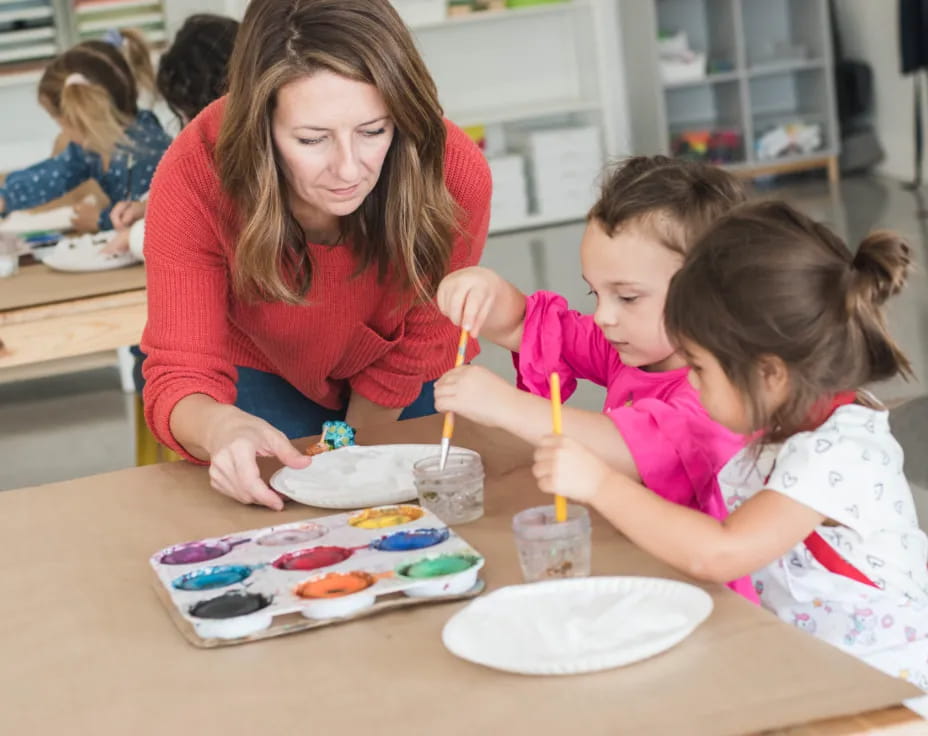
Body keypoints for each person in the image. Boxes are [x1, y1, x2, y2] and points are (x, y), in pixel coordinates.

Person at [534, 200, 928, 688]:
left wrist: (600, 484)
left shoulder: (837, 453)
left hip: (889, 686)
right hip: (816, 667)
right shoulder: (790, 421)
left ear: (769, 374)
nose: (690, 383)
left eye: (699, 368)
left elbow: (721, 552)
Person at [141, 0, 492, 511]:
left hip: (403, 363)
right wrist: (218, 427)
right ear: (261, 127)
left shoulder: (453, 170)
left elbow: (425, 337)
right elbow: (181, 370)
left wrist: (351, 454)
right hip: (263, 366)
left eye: (374, 131)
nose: (348, 169)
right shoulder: (196, 172)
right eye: (311, 139)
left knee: (425, 517)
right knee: (271, 522)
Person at [435, 156, 755, 600]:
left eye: (627, 297)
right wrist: (484, 290)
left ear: (712, 292)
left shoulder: (728, 392)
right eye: (595, 292)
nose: (603, 316)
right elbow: (528, 325)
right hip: (639, 568)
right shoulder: (633, 348)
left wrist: (505, 406)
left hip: (711, 595)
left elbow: (630, 450)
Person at [0, 39, 171, 232]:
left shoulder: (146, 151)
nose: (64, 133)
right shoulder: (93, 148)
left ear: (83, 116)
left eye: (62, 123)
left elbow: (151, 217)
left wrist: (100, 221)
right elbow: (55, 174)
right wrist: (5, 197)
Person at [106, 14, 241, 255]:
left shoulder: (251, 154)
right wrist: (150, 207)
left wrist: (137, 236)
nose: (186, 126)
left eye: (185, 114)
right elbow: (200, 194)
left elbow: (220, 225)